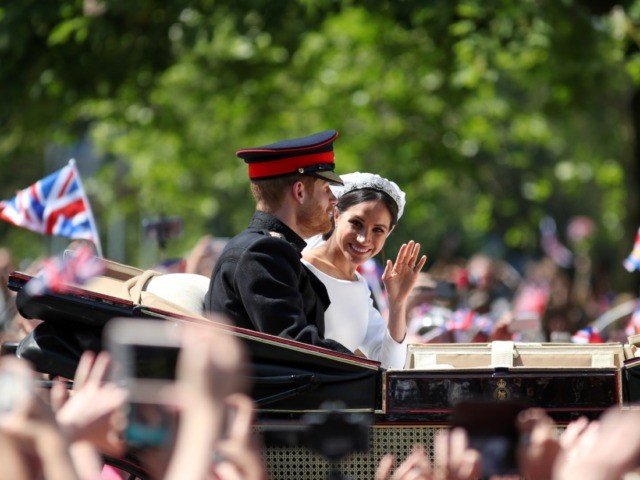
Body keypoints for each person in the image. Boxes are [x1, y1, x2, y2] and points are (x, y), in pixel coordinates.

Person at [205, 130, 351, 353]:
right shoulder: (262, 253)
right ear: (299, 192)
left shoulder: (266, 248)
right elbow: (295, 345)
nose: (333, 200)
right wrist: (369, 368)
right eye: (325, 189)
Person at [302, 172, 427, 368]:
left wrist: (397, 303)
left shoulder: (360, 286)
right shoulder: (302, 269)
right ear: (336, 214)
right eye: (356, 224)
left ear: (389, 232)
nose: (363, 239)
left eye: (378, 230)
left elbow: (389, 365)